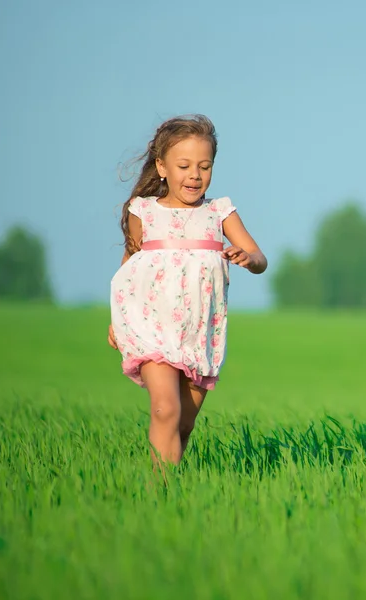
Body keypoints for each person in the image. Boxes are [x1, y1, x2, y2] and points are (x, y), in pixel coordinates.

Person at [108, 114, 267, 466]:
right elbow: (129, 268)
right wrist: (118, 321)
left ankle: (166, 490)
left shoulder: (219, 212)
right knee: (165, 410)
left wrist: (248, 258)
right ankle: (158, 495)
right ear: (162, 167)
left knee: (184, 422)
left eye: (204, 166)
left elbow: (259, 258)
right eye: (184, 165)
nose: (195, 175)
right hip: (151, 327)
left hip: (199, 331)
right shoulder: (144, 211)